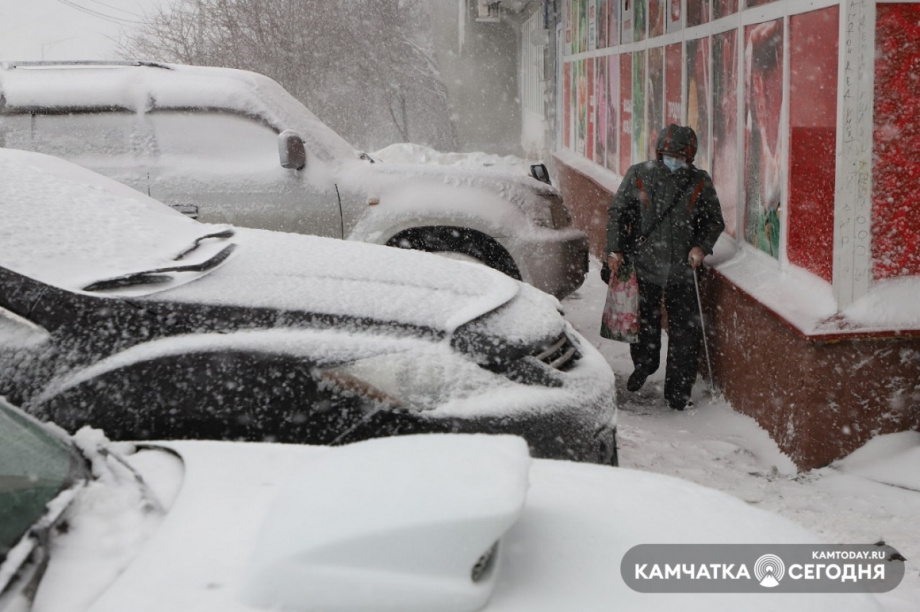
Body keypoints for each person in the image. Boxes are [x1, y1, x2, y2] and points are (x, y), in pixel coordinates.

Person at [604, 124, 725, 410]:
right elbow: (618, 213)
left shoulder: (699, 182)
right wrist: (615, 248)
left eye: (680, 156)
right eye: (669, 154)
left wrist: (701, 247)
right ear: (659, 152)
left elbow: (714, 221)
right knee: (644, 325)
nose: (674, 160)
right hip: (644, 265)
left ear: (691, 156)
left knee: (686, 333)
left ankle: (678, 393)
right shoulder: (639, 174)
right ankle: (644, 366)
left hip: (683, 270)